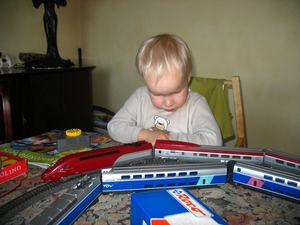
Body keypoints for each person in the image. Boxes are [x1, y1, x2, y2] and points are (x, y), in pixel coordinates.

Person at [108, 34, 222, 146]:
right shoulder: (140, 97)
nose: (168, 103)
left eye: (176, 92)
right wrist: (145, 135)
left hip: (182, 164)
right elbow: (114, 126)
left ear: (188, 77)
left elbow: (214, 141)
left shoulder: (196, 104)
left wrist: (167, 139)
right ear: (145, 82)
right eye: (157, 94)